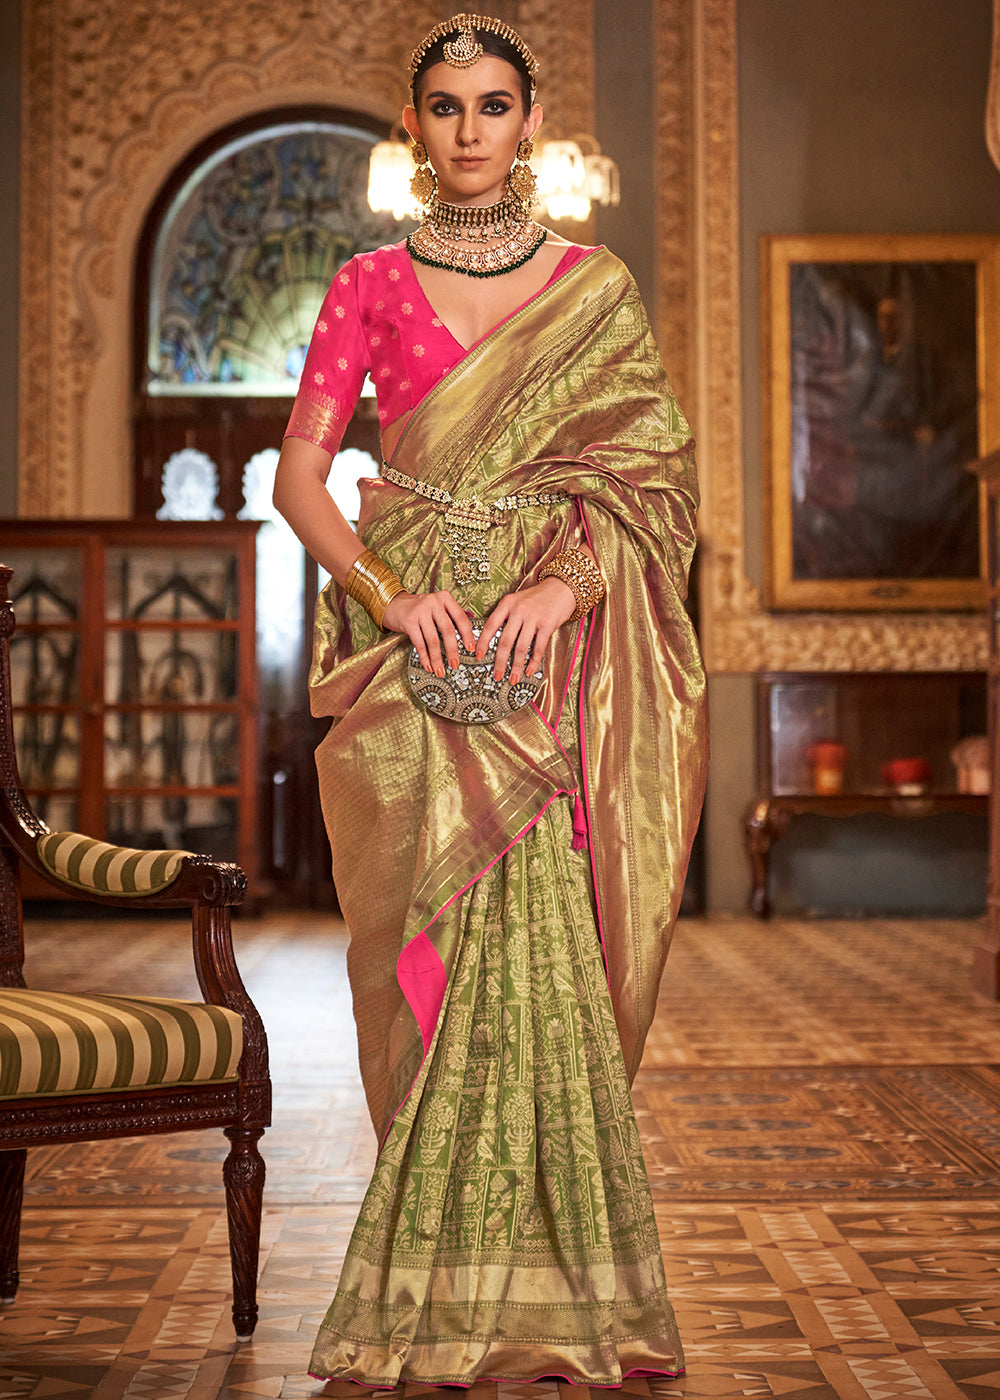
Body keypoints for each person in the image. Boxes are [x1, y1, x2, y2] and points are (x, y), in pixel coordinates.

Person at [273, 12, 707, 1388]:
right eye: (447, 106)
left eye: (494, 104)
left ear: (530, 122)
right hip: (415, 657)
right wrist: (390, 594)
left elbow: (656, 484)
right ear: (415, 126)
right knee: (429, 957)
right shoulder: (368, 283)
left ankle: (567, 1298)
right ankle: (431, 1288)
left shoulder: (594, 288)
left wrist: (567, 588)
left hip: (543, 666)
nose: (470, 129)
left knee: (545, 959)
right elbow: (298, 478)